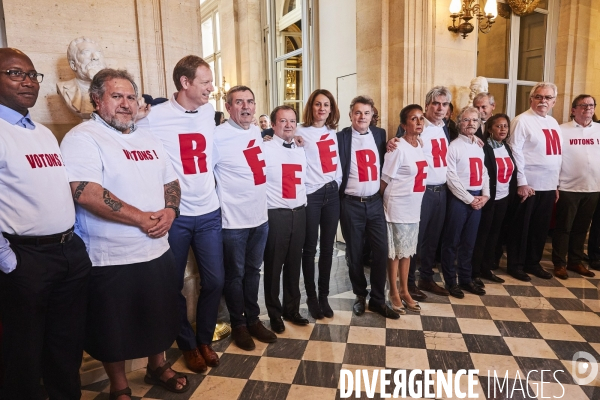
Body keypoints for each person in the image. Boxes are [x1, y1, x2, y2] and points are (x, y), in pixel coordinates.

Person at [60, 68, 187, 399]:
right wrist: (141, 218)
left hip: (157, 250)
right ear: (97, 99)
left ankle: (157, 366)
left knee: (158, 317)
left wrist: (171, 210)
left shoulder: (148, 138)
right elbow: (85, 191)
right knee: (112, 329)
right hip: (110, 257)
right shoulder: (82, 137)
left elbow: (171, 181)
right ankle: (119, 386)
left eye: (131, 96)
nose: (126, 103)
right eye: (117, 96)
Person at [0, 47, 92, 400]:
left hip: (68, 254)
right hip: (27, 260)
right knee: (23, 354)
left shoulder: (40, 132)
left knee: (66, 347)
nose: (27, 81)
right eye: (14, 73)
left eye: (32, 74)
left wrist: (75, 242)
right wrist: (9, 261)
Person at [137, 55, 223, 373]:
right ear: (185, 83)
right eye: (205, 82)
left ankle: (204, 340)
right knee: (171, 284)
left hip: (210, 211)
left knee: (215, 281)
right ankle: (187, 344)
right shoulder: (154, 116)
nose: (212, 88)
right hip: (177, 215)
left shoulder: (208, 113)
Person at [213, 86, 277, 350]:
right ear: (228, 107)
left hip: (259, 218)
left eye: (250, 101)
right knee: (235, 275)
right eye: (239, 102)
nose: (246, 107)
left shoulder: (254, 131)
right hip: (233, 223)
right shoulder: (216, 136)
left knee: (253, 272)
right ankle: (238, 324)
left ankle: (253, 319)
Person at [338, 95, 400, 320]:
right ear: (351, 115)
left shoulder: (379, 134)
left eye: (366, 113)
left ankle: (377, 299)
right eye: (357, 112)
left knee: (381, 250)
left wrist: (396, 141)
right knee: (354, 253)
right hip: (351, 204)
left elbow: (397, 146)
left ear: (373, 115)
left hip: (375, 202)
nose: (362, 117)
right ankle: (359, 295)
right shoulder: (341, 138)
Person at [388, 87, 453, 300]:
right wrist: (392, 141)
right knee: (415, 239)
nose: (440, 108)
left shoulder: (444, 128)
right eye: (435, 103)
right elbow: (401, 142)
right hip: (421, 191)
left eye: (444, 104)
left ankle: (426, 278)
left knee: (432, 239)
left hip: (441, 190)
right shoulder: (419, 126)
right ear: (427, 106)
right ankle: (408, 284)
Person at [506, 82, 562, 281]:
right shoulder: (522, 120)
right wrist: (521, 182)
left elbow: (556, 155)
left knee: (540, 228)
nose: (543, 101)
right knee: (522, 227)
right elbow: (515, 152)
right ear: (531, 99)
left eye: (547, 98)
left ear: (554, 101)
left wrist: (556, 185)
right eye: (539, 97)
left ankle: (533, 262)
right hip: (528, 184)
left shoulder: (554, 122)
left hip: (548, 184)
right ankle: (516, 264)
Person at [296, 89, 342, 319]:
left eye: (326, 105)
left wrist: (337, 183)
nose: (322, 108)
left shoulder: (333, 132)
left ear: (331, 109)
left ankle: (324, 296)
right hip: (311, 195)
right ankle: (311, 297)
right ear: (310, 107)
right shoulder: (299, 131)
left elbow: (337, 163)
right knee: (309, 248)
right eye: (317, 104)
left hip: (331, 194)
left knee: (327, 248)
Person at [263, 105, 309, 332]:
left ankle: (292, 309)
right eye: (283, 121)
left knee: (294, 264)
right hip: (276, 214)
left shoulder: (301, 148)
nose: (289, 125)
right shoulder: (265, 148)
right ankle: (274, 313)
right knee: (273, 266)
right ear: (273, 124)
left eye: (292, 121)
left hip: (299, 213)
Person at [381, 104, 428, 313]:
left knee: (408, 251)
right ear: (403, 124)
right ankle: (393, 291)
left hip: (414, 205)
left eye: (421, 118)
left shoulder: (421, 144)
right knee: (395, 253)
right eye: (413, 119)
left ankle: (405, 290)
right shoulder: (397, 147)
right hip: (397, 205)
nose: (418, 122)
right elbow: (384, 180)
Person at [442, 106, 490, 298]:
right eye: (466, 120)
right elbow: (451, 177)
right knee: (452, 241)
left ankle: (466, 278)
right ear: (459, 122)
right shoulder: (453, 146)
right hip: (460, 199)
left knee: (469, 242)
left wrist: (485, 195)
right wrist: (470, 199)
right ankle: (450, 281)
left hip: (478, 197)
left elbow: (484, 172)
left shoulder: (479, 146)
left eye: (474, 120)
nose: (471, 124)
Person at [552, 95, 600, 279]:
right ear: (573, 110)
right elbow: (555, 157)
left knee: (582, 228)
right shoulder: (562, 130)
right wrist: (555, 184)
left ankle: (575, 261)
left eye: (591, 105)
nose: (588, 108)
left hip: (593, 187)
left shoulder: (599, 130)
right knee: (564, 227)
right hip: (568, 186)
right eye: (583, 105)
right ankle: (559, 263)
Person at [471, 114, 516, 284]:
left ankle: (486, 268)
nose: (503, 129)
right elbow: (483, 175)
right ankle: (474, 271)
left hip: (503, 198)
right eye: (498, 126)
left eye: (505, 126)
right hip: (488, 199)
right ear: (489, 129)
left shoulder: (506, 147)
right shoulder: (484, 148)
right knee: (482, 235)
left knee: (494, 236)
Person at [57, 37, 107, 118]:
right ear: (73, 65)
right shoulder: (63, 88)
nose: (95, 57)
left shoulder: (116, 89)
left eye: (99, 53)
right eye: (86, 52)